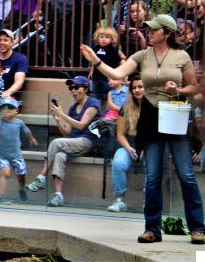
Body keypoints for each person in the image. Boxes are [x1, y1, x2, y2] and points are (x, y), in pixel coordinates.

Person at [80, 14, 204, 244]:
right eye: (148, 29)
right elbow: (118, 74)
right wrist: (96, 61)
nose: (149, 32)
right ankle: (152, 229)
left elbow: (193, 87)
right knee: (153, 176)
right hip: (151, 116)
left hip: (175, 113)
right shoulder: (141, 55)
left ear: (167, 32)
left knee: (186, 174)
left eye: (154, 29)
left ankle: (197, 227)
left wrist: (177, 89)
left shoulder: (181, 56)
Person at [26, 75, 102, 207]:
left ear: (85, 89)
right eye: (71, 88)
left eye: (76, 87)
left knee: (56, 142)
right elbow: (67, 133)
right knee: (59, 156)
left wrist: (62, 114)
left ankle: (41, 177)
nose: (73, 90)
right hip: (74, 143)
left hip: (88, 141)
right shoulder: (73, 108)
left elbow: (81, 125)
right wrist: (57, 119)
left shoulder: (93, 103)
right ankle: (58, 195)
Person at [0, 97, 38, 204]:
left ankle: (21, 189)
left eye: (10, 107)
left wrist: (32, 139)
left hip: (16, 155)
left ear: (16, 111)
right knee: (6, 173)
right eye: (3, 108)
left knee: (21, 174)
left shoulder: (19, 122)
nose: (6, 109)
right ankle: (0, 197)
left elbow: (27, 131)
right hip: (3, 155)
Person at [107, 74, 144, 213]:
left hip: (149, 146)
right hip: (129, 144)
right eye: (134, 88)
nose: (137, 90)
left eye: (141, 87)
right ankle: (120, 200)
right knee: (118, 162)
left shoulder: (153, 107)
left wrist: (144, 149)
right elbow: (120, 134)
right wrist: (129, 149)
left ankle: (149, 202)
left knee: (153, 165)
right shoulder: (126, 107)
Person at [89, 26, 123, 100]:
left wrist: (119, 75)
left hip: (107, 78)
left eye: (107, 37)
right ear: (98, 38)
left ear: (112, 39)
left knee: (108, 95)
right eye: (101, 37)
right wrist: (91, 71)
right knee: (95, 94)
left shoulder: (112, 50)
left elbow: (120, 62)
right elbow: (93, 61)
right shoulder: (95, 48)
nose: (104, 39)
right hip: (96, 76)